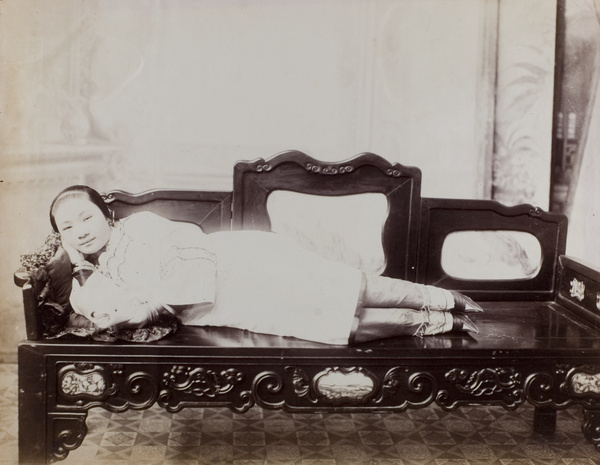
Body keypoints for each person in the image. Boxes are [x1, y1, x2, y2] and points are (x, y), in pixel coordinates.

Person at [49, 185, 482, 345]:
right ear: (62, 237)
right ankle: (433, 323)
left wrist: (149, 305)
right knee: (333, 326)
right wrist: (79, 263)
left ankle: (443, 298)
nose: (81, 230)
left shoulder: (140, 225)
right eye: (68, 227)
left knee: (341, 286)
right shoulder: (92, 279)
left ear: (105, 214)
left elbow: (186, 249)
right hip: (221, 306)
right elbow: (99, 309)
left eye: (86, 217)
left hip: (235, 265)